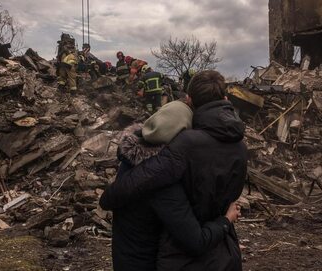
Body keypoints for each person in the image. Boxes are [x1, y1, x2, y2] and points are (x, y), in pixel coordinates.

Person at [100, 70, 247, 271]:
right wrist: (225, 222)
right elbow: (195, 239)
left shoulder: (134, 159)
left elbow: (112, 197)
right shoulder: (164, 180)